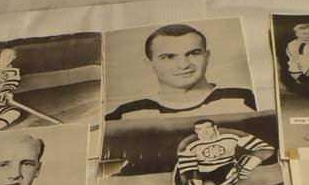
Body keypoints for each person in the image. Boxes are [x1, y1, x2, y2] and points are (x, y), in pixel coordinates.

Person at [105, 23, 257, 121]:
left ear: (207, 56)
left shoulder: (244, 100)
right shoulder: (127, 114)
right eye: (169, 57)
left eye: (193, 53)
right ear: (149, 64)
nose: (183, 65)